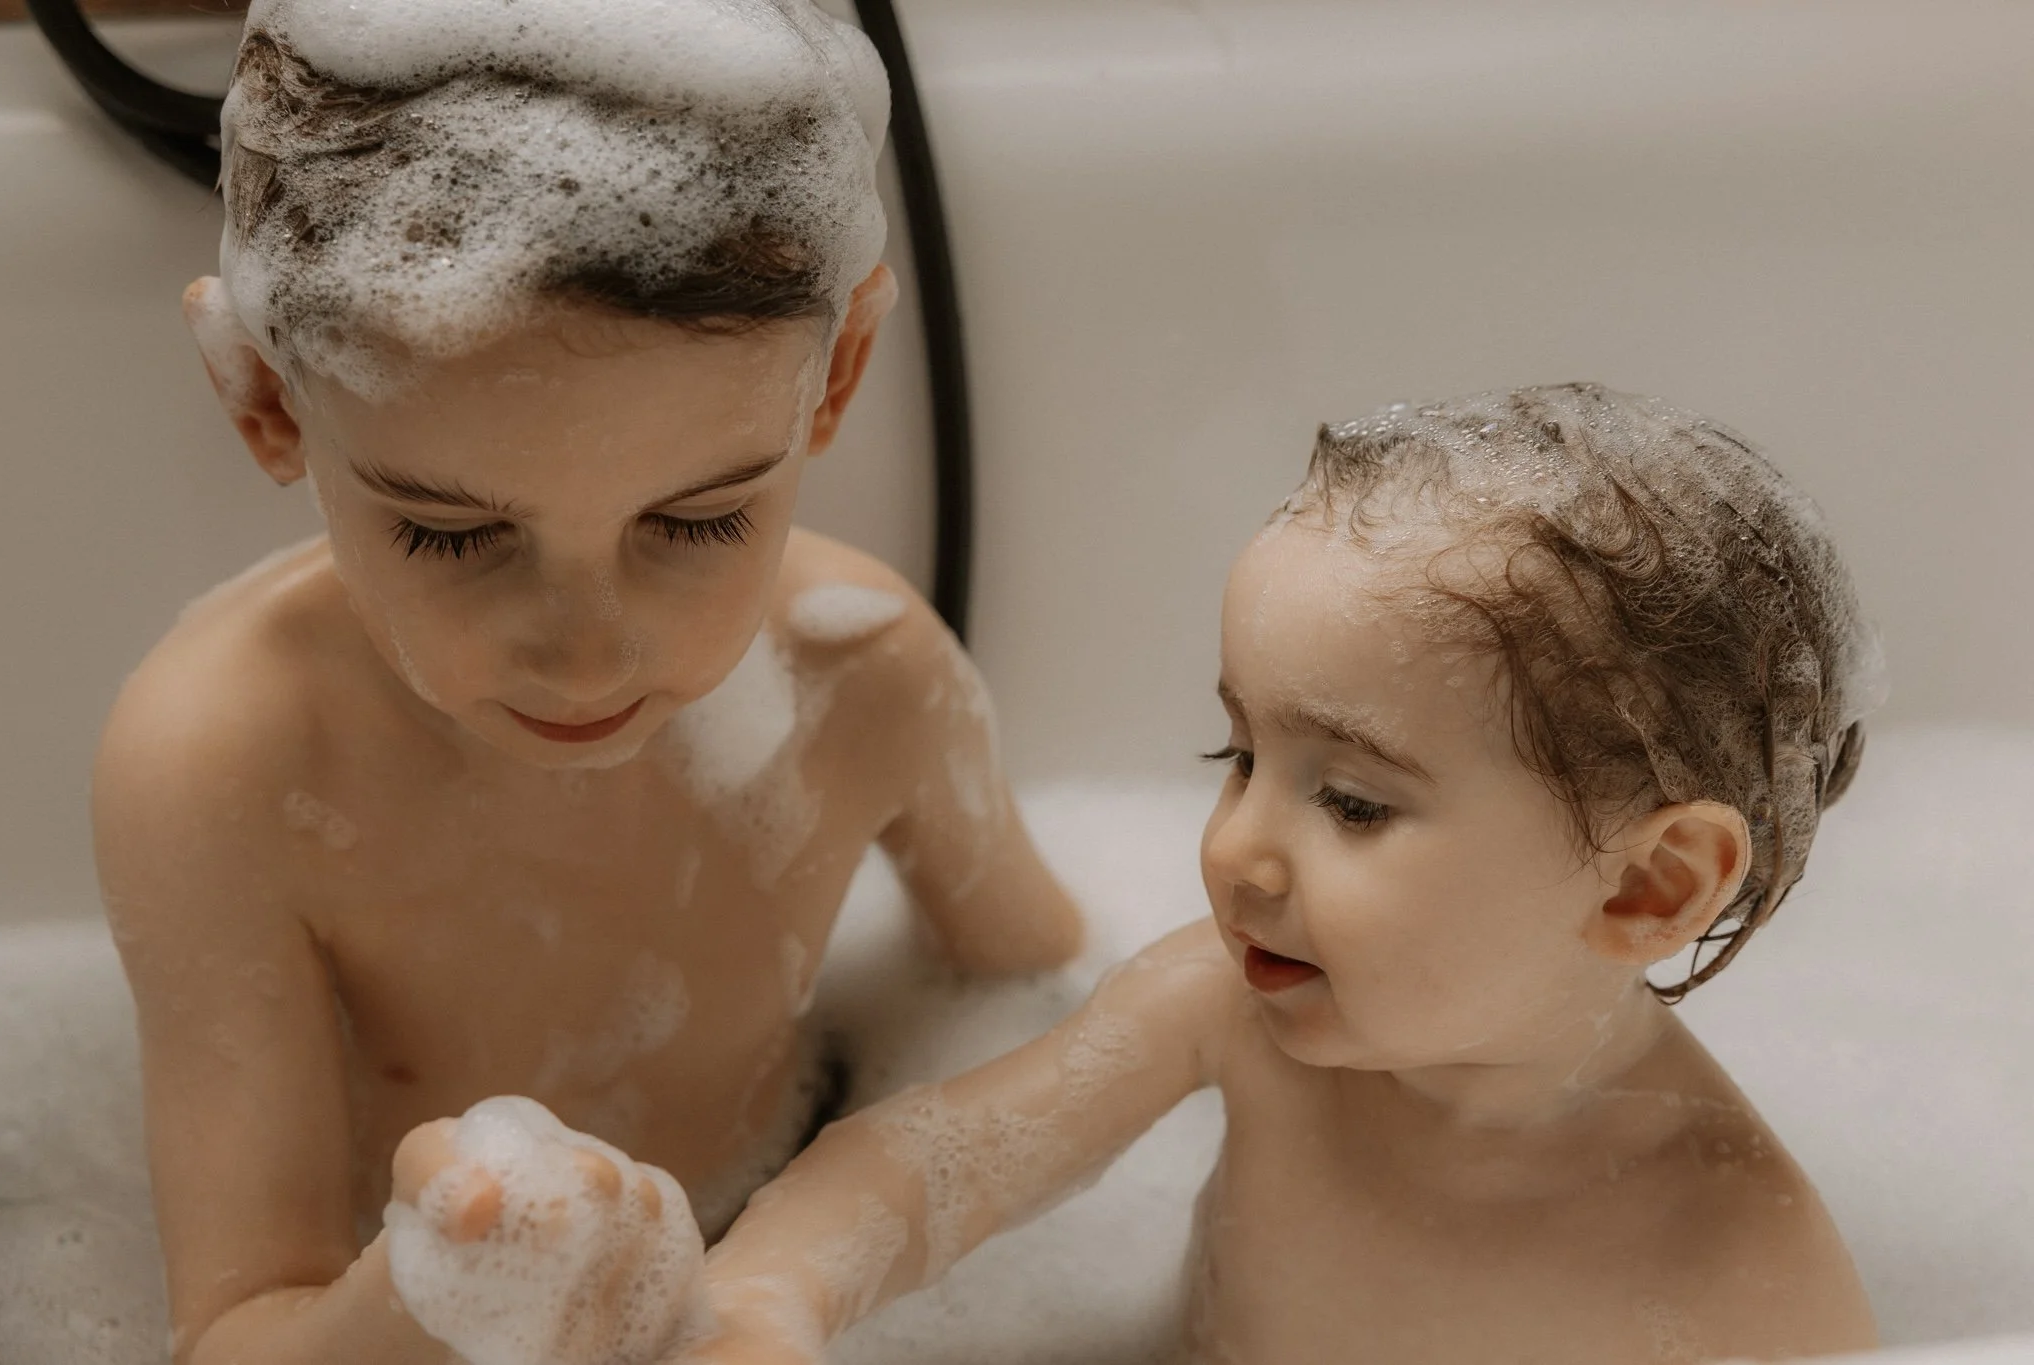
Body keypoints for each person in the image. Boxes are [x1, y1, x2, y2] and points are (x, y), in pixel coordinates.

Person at [417, 383, 1878, 1365]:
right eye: (1236, 758)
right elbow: (934, 1168)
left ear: (1646, 891)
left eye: (1353, 804)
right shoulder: (1233, 1007)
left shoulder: (1740, 1256)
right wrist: (774, 1295)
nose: (1240, 849)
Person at [91, 4, 1082, 1363]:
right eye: (452, 534)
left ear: (837, 372)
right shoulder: (231, 763)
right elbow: (237, 1324)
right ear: (263, 394)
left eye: (699, 523)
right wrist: (451, 1284)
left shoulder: (866, 672)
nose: (589, 650)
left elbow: (1046, 999)